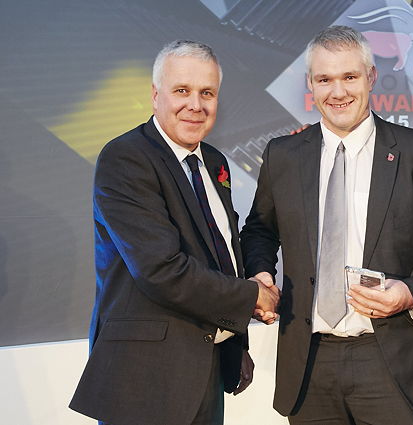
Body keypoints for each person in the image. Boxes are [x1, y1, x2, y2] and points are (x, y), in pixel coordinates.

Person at [240, 26, 413, 425]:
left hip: (396, 361)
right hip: (308, 364)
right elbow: (260, 229)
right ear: (310, 84)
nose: (338, 91)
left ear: (371, 77)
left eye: (349, 76)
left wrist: (411, 292)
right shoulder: (283, 155)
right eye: (325, 79)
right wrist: (260, 273)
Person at [69, 40, 280, 425]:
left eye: (207, 93)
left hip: (205, 368)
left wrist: (255, 284)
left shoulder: (213, 161)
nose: (195, 105)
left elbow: (222, 250)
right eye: (182, 90)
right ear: (155, 95)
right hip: (145, 379)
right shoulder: (127, 158)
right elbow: (161, 269)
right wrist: (252, 296)